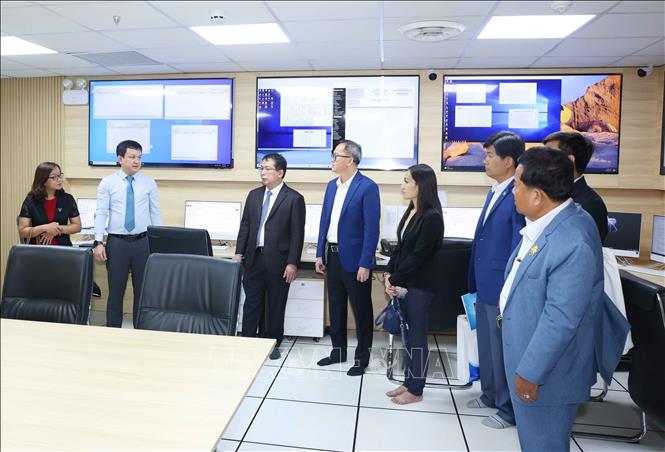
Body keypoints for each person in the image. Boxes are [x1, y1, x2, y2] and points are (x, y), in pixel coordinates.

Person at [500, 147, 604, 451]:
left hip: (547, 373)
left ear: (537, 196)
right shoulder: (551, 221)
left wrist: (530, 372)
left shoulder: (571, 240)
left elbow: (560, 319)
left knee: (542, 444)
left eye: (516, 185)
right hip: (529, 355)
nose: (512, 192)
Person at [466, 132, 526, 429]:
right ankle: (489, 394)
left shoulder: (517, 194)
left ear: (509, 161)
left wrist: (508, 283)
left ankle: (507, 409)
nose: (485, 160)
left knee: (502, 349)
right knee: (487, 344)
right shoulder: (495, 190)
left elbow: (517, 245)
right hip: (484, 281)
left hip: (501, 283)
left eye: (490, 155)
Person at [315, 139, 380, 376]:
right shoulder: (332, 186)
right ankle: (338, 351)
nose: (332, 160)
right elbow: (324, 221)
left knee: (361, 311)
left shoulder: (367, 187)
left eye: (336, 156)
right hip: (332, 257)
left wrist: (365, 263)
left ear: (350, 160)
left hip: (355, 261)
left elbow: (371, 229)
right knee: (336, 308)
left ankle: (362, 359)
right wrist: (319, 253)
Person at [234, 153, 305, 360]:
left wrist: (292, 263)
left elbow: (297, 235)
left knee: (276, 305)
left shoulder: (294, 199)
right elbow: (245, 226)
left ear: (280, 172)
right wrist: (238, 253)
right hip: (254, 258)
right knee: (251, 303)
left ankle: (272, 343)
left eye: (267, 169)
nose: (262, 172)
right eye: (261, 168)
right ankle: (248, 341)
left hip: (279, 261)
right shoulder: (254, 195)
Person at [383, 164, 443, 404]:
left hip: (419, 286)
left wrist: (395, 279)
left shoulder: (432, 217)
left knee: (417, 338)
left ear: (421, 186)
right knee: (407, 336)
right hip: (405, 283)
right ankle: (409, 382)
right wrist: (389, 273)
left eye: (407, 181)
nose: (402, 185)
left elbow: (419, 256)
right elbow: (400, 248)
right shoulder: (412, 211)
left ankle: (416, 390)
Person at [93, 140, 163, 328]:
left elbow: (155, 212)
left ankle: (141, 332)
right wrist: (98, 242)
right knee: (116, 291)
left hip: (143, 243)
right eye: (132, 157)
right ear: (120, 158)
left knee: (143, 291)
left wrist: (160, 243)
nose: (136, 161)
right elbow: (101, 213)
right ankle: (113, 331)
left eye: (139, 157)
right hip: (117, 243)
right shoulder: (108, 183)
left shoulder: (149, 182)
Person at [543, 131, 608, 243]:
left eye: (550, 156)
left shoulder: (591, 203)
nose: (542, 162)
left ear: (570, 160)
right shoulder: (550, 194)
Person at [18, 162, 82, 246]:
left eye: (60, 175)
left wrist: (56, 229)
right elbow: (22, 231)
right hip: (38, 250)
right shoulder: (31, 200)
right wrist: (45, 228)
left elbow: (77, 226)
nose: (60, 180)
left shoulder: (67, 199)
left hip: (63, 249)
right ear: (43, 180)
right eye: (54, 177)